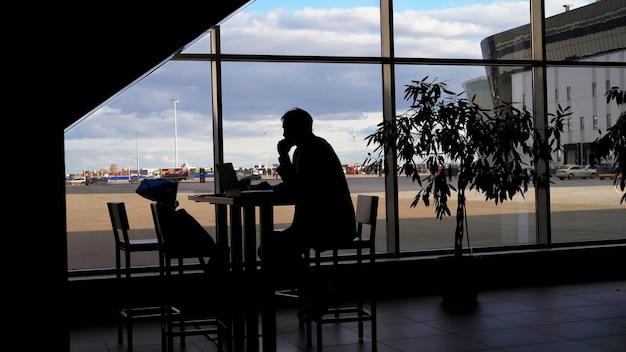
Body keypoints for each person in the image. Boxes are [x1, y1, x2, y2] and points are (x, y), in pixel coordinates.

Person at [260, 107, 357, 322]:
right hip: (325, 222)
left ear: (298, 129)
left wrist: (282, 157)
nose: (284, 135)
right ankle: (315, 290)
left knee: (269, 248)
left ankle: (317, 289)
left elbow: (297, 187)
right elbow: (298, 184)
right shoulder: (311, 147)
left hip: (326, 225)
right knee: (271, 247)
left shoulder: (310, 150)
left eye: (286, 129)